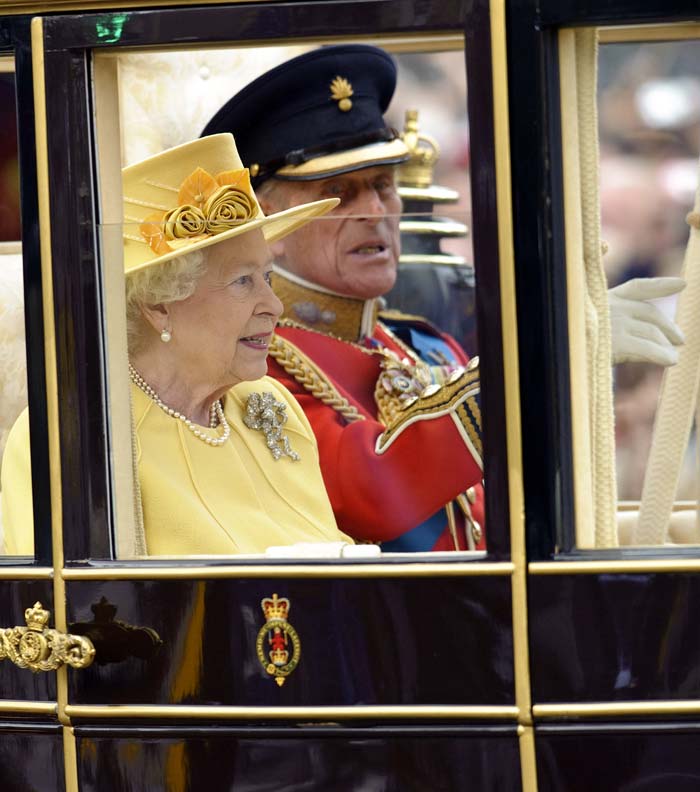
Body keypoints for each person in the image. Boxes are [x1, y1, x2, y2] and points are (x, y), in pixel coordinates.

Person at [1, 133, 353, 556]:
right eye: (243, 281)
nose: (274, 305)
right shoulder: (79, 435)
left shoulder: (268, 402)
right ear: (159, 305)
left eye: (268, 277)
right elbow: (61, 611)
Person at [202, 45, 484, 552]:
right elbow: (369, 492)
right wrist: (526, 370)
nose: (375, 210)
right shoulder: (250, 364)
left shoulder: (424, 345)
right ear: (271, 226)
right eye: (341, 193)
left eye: (382, 185)